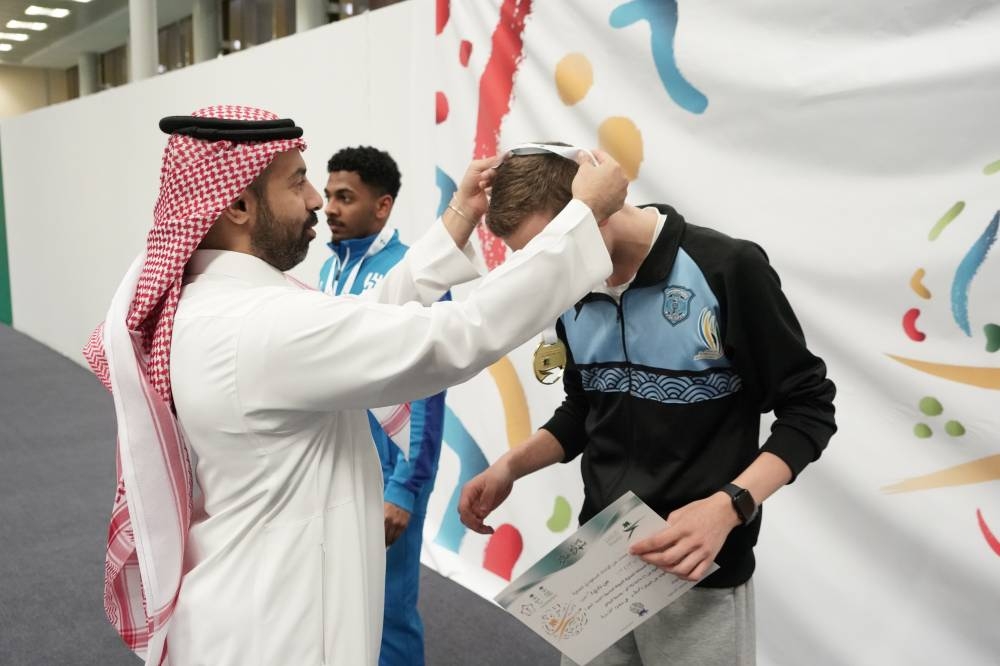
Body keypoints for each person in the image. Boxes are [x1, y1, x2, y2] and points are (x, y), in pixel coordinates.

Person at [83, 112, 628, 666]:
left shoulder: (213, 308)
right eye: (298, 182)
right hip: (277, 631)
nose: (315, 201)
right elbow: (454, 335)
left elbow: (364, 321)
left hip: (239, 603)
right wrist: (582, 218)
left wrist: (460, 217)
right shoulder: (260, 326)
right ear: (239, 206)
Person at [458, 143, 837, 666]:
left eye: (557, 248)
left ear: (598, 209)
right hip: (598, 562)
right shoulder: (568, 286)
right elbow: (586, 407)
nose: (550, 270)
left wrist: (729, 506)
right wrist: (509, 466)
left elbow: (809, 409)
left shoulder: (727, 268)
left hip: (697, 570)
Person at [318, 145, 446, 666]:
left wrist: (404, 487)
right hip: (340, 463)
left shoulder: (413, 272)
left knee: (388, 611)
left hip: (391, 473)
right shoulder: (328, 270)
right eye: (328, 195)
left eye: (345, 198)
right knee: (341, 603)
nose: (330, 208)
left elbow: (429, 389)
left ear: (383, 205)